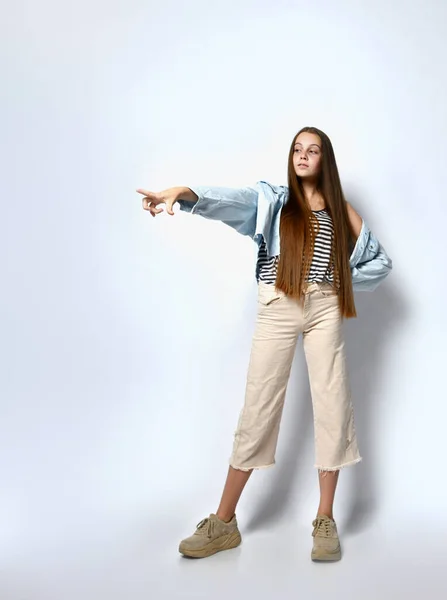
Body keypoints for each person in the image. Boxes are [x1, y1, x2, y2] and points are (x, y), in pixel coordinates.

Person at [137, 126, 392, 562]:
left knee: (332, 404)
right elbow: (228, 201)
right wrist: (183, 194)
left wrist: (340, 279)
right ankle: (223, 523)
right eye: (298, 149)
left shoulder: (340, 209)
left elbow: (380, 262)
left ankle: (324, 519)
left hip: (324, 308)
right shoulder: (274, 200)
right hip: (279, 302)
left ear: (325, 160)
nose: (303, 155)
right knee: (259, 406)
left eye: (313, 151)